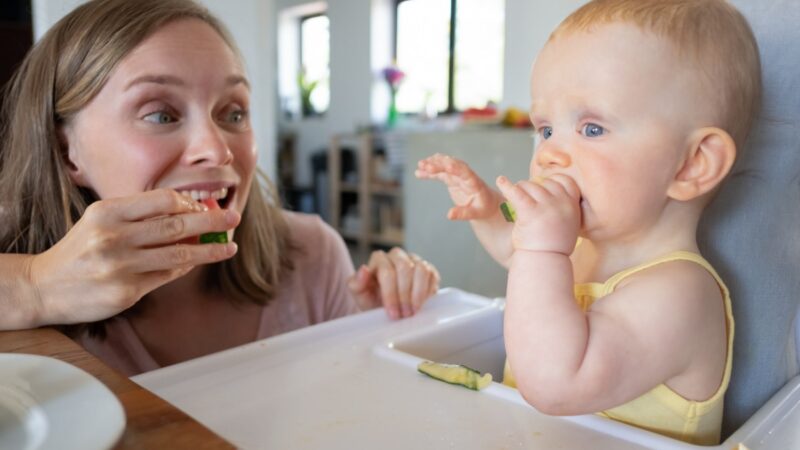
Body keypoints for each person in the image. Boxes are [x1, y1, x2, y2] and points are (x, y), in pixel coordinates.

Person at [0, 0, 439, 376]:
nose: (217, 149)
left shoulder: (312, 256)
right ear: (67, 151)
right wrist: (36, 288)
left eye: (232, 113)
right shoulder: (19, 267)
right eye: (161, 115)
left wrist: (377, 328)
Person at [416, 0, 760, 445]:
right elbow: (515, 254)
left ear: (692, 165)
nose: (549, 155)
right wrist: (488, 212)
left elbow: (556, 383)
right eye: (545, 129)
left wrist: (543, 248)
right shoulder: (579, 249)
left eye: (592, 128)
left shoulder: (680, 295)